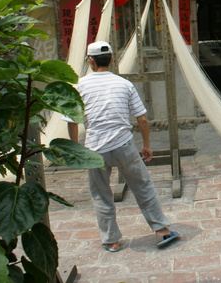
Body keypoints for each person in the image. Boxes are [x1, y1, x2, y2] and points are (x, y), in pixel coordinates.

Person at [65, 41, 179, 252]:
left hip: (94, 150)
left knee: (101, 194)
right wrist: (146, 145)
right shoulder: (124, 84)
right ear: (112, 58)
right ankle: (162, 230)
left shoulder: (79, 86)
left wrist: (75, 149)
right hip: (123, 144)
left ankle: (112, 240)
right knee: (143, 186)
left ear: (90, 60)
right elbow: (142, 119)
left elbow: (71, 120)